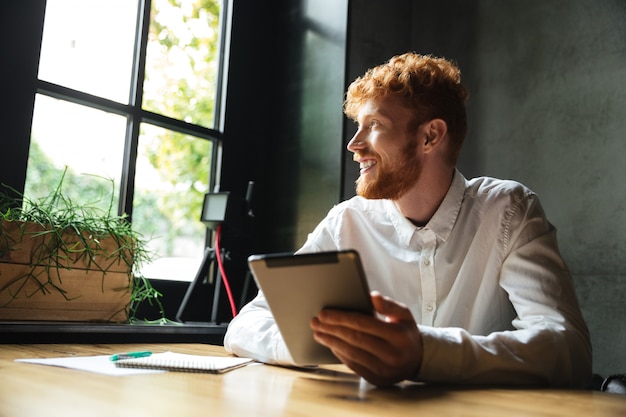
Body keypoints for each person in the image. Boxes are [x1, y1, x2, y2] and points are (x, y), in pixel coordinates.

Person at [224, 52, 592, 388]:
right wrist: (341, 348)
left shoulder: (509, 210)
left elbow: (567, 347)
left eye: (374, 125)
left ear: (430, 136)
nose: (354, 144)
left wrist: (424, 353)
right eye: (357, 125)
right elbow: (244, 326)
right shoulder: (346, 221)